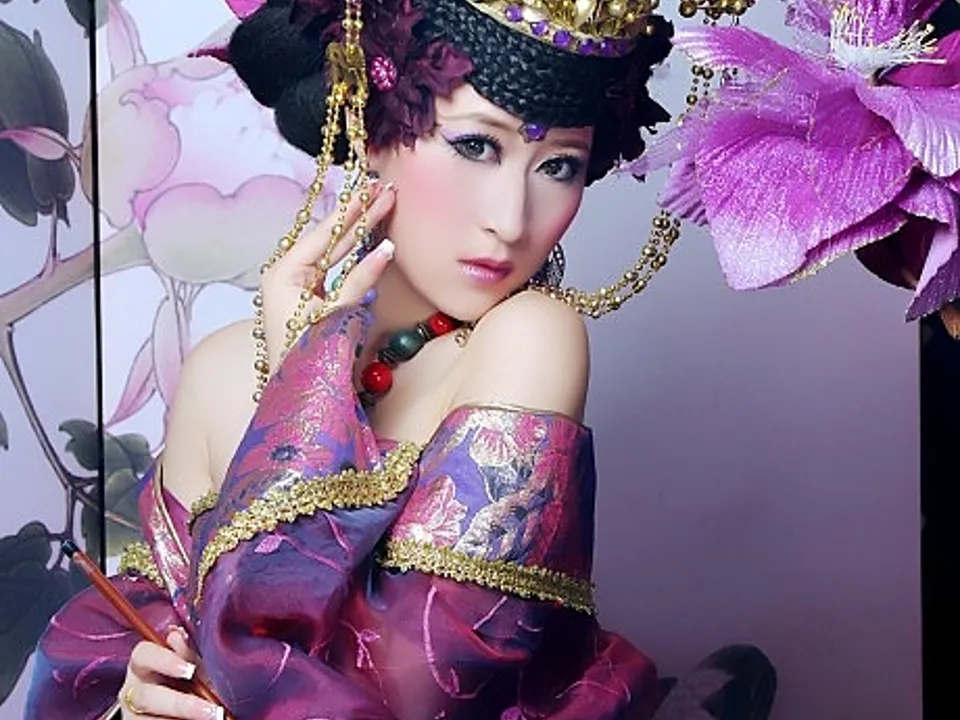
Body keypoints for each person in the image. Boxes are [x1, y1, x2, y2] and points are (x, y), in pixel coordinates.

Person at [25, 0, 776, 718]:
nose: (511, 219)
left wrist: (305, 406)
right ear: (372, 127)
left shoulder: (531, 340)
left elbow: (424, 696)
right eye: (476, 146)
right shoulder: (221, 371)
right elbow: (134, 641)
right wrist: (144, 692)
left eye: (559, 167)